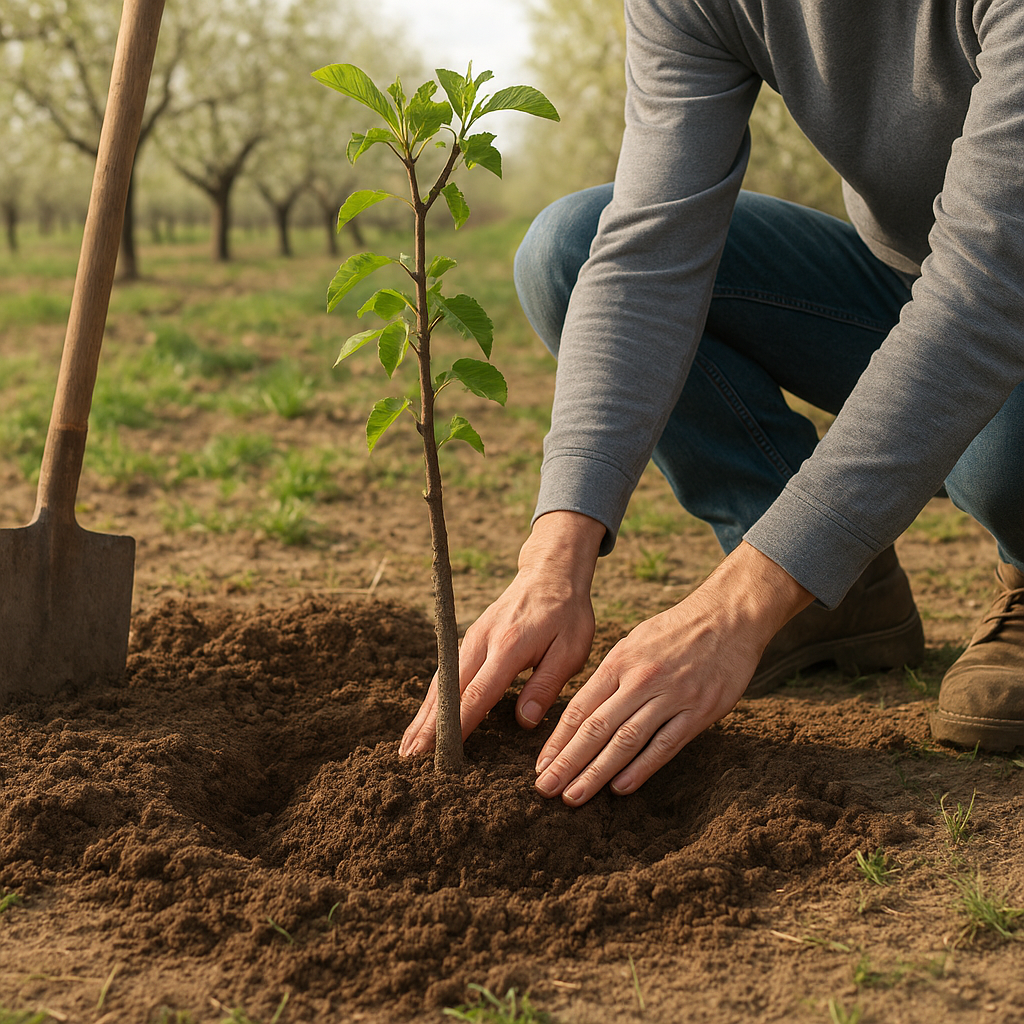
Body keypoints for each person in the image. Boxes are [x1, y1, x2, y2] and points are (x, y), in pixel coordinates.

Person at [400, 0, 1024, 804]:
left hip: (999, 286)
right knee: (573, 249)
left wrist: (734, 611)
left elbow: (987, 292)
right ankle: (832, 592)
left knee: (1004, 459)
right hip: (910, 280)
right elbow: (650, 254)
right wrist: (554, 555)